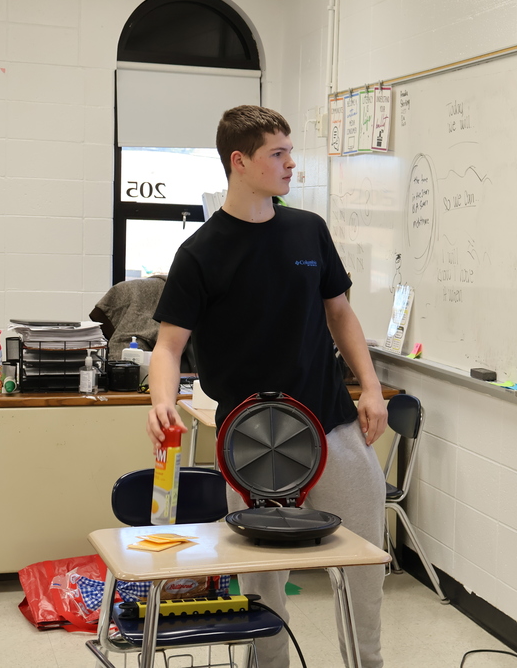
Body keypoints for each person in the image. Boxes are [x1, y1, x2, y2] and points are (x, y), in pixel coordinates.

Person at [146, 104, 388, 668]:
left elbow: (341, 313)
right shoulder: (200, 254)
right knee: (263, 580)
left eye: (289, 151)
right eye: (277, 154)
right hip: (252, 442)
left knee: (365, 559)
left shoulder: (308, 230)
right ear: (240, 161)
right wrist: (162, 400)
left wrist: (371, 389)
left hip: (329, 421)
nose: (290, 165)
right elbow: (168, 346)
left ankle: (368, 663)